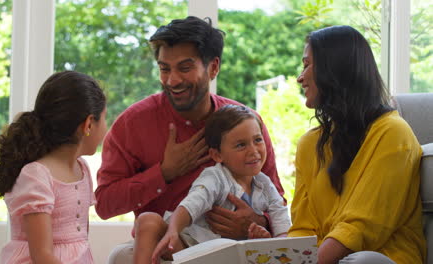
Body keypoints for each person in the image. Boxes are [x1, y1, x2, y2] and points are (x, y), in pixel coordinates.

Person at [95, 16, 285, 263]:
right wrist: (164, 173)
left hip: (237, 249)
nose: (173, 80)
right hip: (168, 249)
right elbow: (105, 205)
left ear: (213, 67)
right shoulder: (133, 123)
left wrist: (256, 222)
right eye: (165, 69)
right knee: (120, 256)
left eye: (185, 68)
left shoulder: (247, 124)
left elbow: (276, 198)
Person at [286, 25, 426, 264]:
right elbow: (302, 229)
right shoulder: (309, 145)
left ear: (335, 69)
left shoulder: (393, 133)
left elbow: (363, 226)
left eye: (307, 64)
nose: (300, 77)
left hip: (380, 258)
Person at [129, 105, 291, 264]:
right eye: (241, 145)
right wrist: (173, 230)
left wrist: (273, 242)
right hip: (193, 247)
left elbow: (282, 223)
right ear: (217, 155)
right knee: (147, 220)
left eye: (257, 140)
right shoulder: (215, 177)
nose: (253, 150)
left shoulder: (265, 184)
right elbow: (191, 204)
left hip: (232, 253)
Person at [0, 71, 107, 264]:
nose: (106, 127)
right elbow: (42, 256)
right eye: (105, 118)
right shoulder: (36, 175)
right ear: (88, 125)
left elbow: (81, 243)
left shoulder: (82, 169)